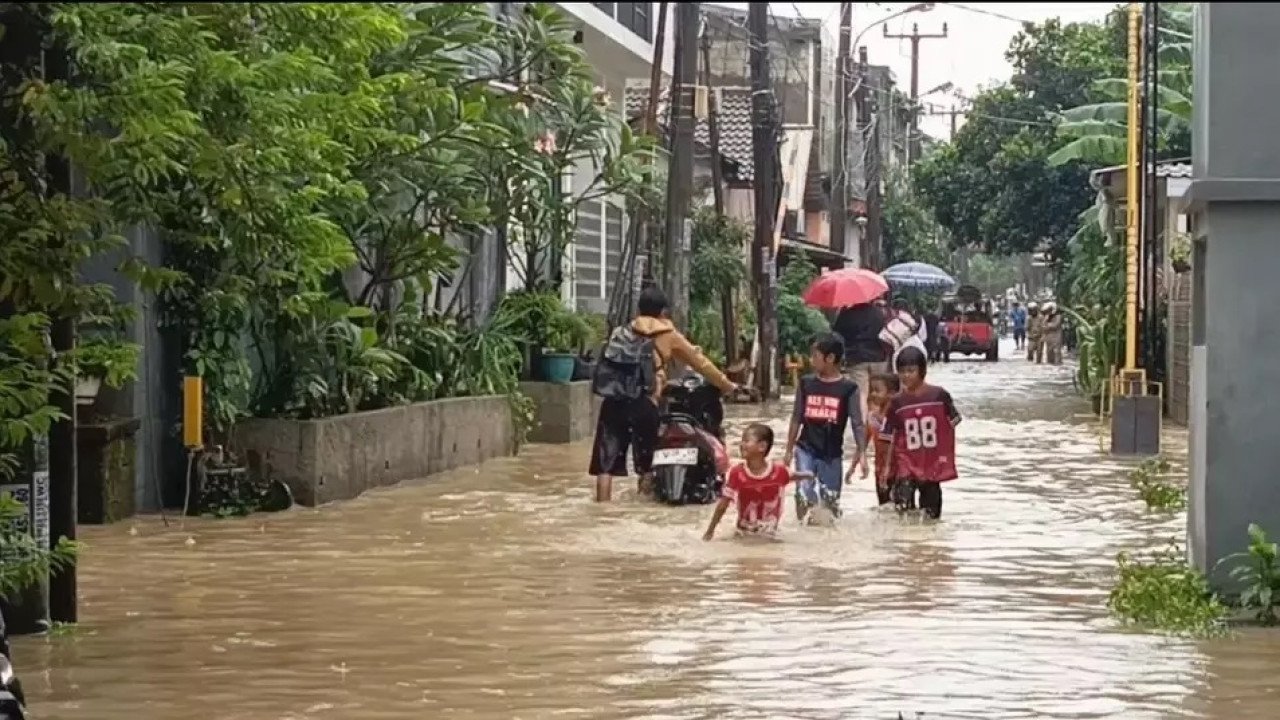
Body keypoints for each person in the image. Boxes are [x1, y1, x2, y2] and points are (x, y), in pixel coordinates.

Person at [590, 286, 736, 502]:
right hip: (644, 403)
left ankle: (602, 510)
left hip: (614, 400)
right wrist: (727, 385)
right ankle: (644, 507)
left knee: (606, 465)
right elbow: (701, 364)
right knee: (647, 464)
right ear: (663, 312)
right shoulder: (668, 335)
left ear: (638, 310)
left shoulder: (621, 332)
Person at [782, 333, 867, 521]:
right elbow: (796, 417)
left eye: (815, 356)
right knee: (804, 495)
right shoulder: (806, 383)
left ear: (830, 358)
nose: (811, 360)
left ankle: (826, 540)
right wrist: (789, 449)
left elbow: (857, 422)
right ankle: (802, 534)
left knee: (830, 503)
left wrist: (862, 453)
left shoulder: (849, 388)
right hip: (805, 448)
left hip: (832, 453)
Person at [880, 346, 961, 520]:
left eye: (911, 371)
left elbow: (952, 423)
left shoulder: (939, 395)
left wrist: (944, 457)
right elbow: (890, 436)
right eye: (902, 371)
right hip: (906, 463)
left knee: (931, 516)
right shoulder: (896, 402)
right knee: (903, 515)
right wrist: (887, 468)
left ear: (922, 370)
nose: (906, 376)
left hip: (931, 464)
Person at [703, 423, 793, 540]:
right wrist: (710, 530)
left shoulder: (779, 472)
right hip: (743, 535)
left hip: (771, 536)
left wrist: (810, 476)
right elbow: (723, 504)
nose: (742, 444)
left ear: (762, 446)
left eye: (746, 441)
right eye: (742, 440)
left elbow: (792, 477)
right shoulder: (737, 473)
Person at [831, 298, 887, 424]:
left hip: (857, 359)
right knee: (877, 393)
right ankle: (876, 427)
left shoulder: (847, 314)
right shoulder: (879, 313)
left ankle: (862, 427)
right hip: (878, 357)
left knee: (862, 394)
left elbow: (836, 333)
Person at [861, 372, 900, 506]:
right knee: (884, 507)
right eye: (872, 390)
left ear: (892, 394)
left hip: (898, 472)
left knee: (900, 508)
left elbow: (894, 446)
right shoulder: (872, 418)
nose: (873, 394)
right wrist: (858, 462)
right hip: (879, 471)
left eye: (877, 391)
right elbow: (863, 443)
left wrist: (888, 468)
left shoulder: (896, 419)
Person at [883, 298, 927, 373]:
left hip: (899, 351)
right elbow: (923, 337)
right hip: (918, 348)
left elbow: (887, 339)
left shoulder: (892, 320)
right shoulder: (918, 318)